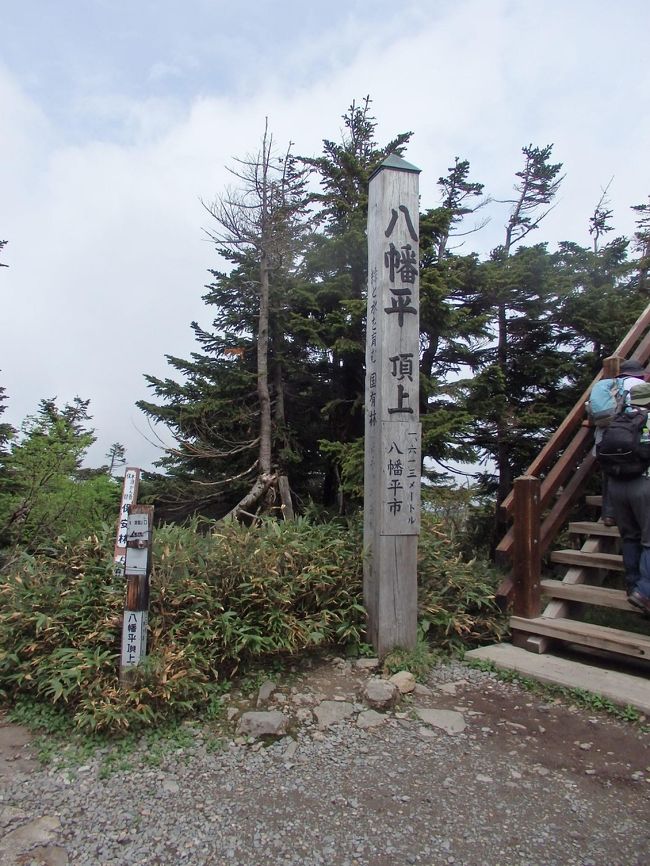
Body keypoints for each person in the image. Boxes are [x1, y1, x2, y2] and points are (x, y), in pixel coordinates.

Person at [606, 377, 650, 613]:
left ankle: (632, 586)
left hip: (617, 485)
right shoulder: (648, 419)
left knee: (630, 538)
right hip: (644, 484)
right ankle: (644, 592)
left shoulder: (619, 419)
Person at [597, 360, 647, 526]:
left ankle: (609, 514)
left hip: (609, 435)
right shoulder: (642, 385)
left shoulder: (610, 384)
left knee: (611, 473)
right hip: (634, 437)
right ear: (641, 374)